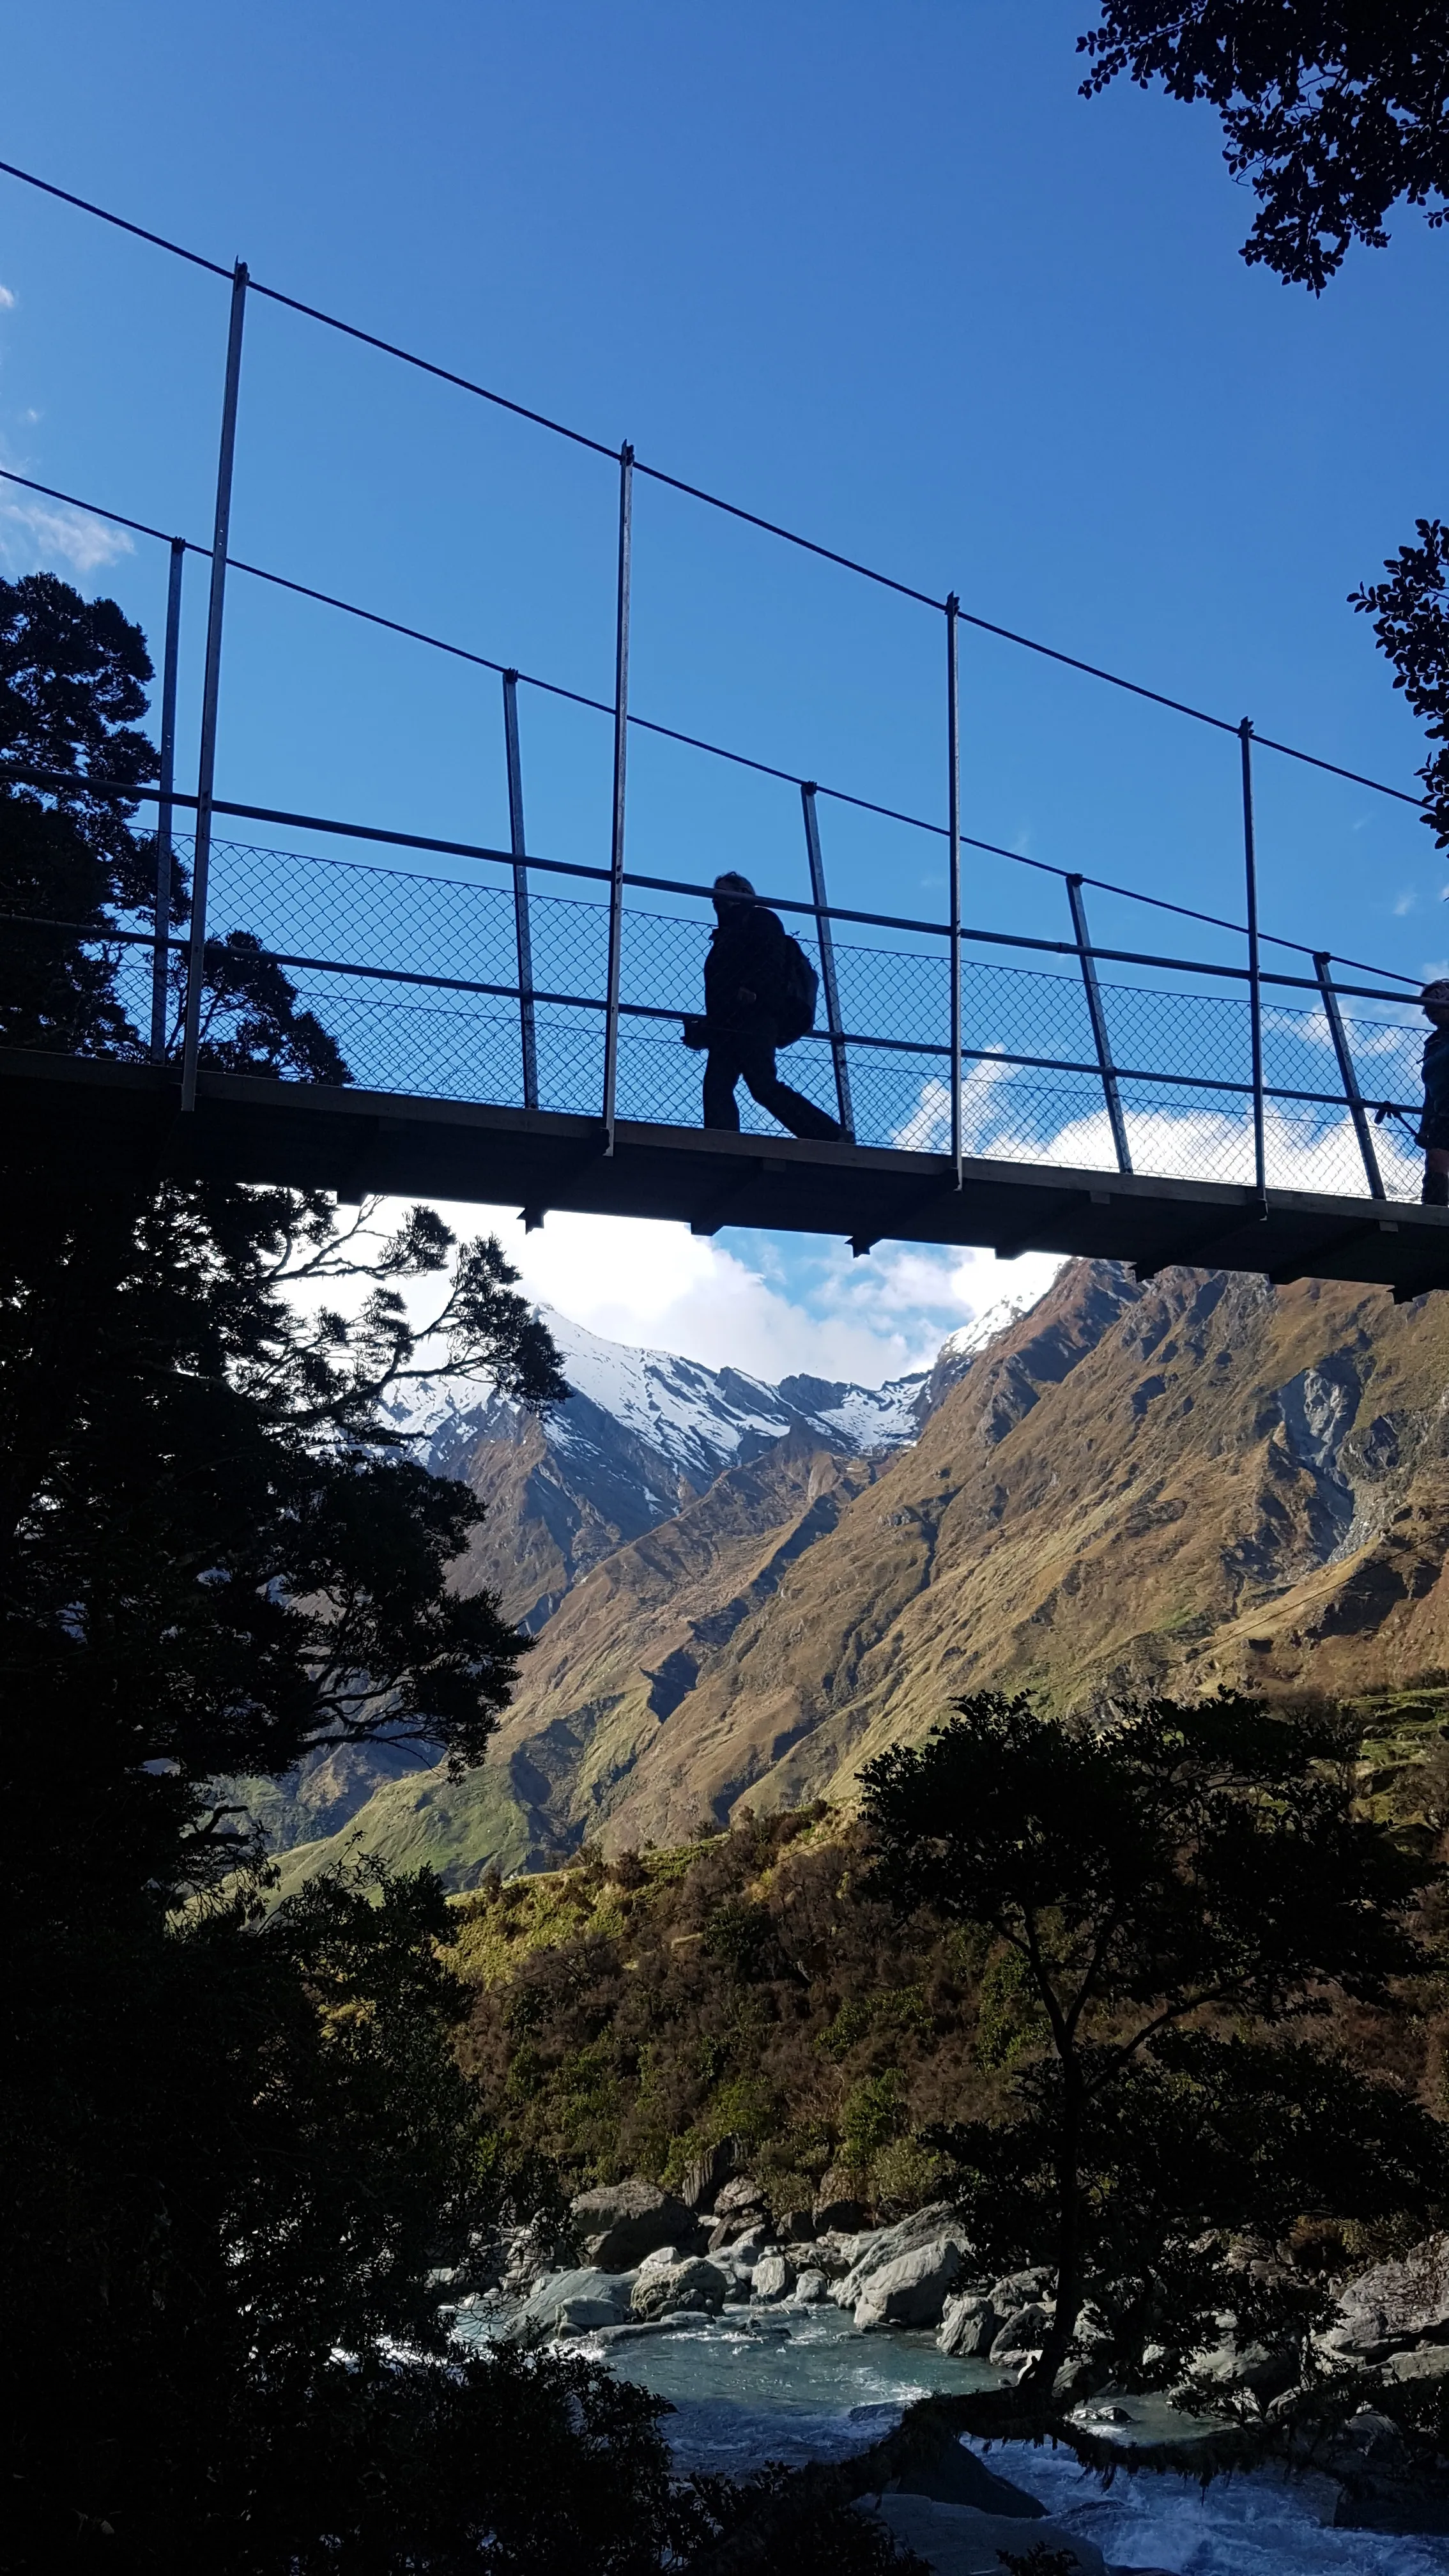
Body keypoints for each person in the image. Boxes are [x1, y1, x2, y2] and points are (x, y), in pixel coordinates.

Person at [682, 870, 843, 1141]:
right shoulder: (724, 936)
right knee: (718, 1086)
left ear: (743, 893)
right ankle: (722, 1143)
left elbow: (770, 959)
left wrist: (753, 990)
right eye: (714, 894)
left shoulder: (760, 919)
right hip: (727, 1021)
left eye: (721, 891)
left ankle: (828, 1134)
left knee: (761, 1084)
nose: (715, 899)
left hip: (756, 1015)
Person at [1419, 980, 1449, 1204]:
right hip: (1443, 1112)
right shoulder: (1433, 1045)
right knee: (1436, 1156)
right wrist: (1425, 1127)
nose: (1431, 1009)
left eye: (1437, 998)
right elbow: (1429, 1094)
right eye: (1427, 1006)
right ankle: (1434, 1209)